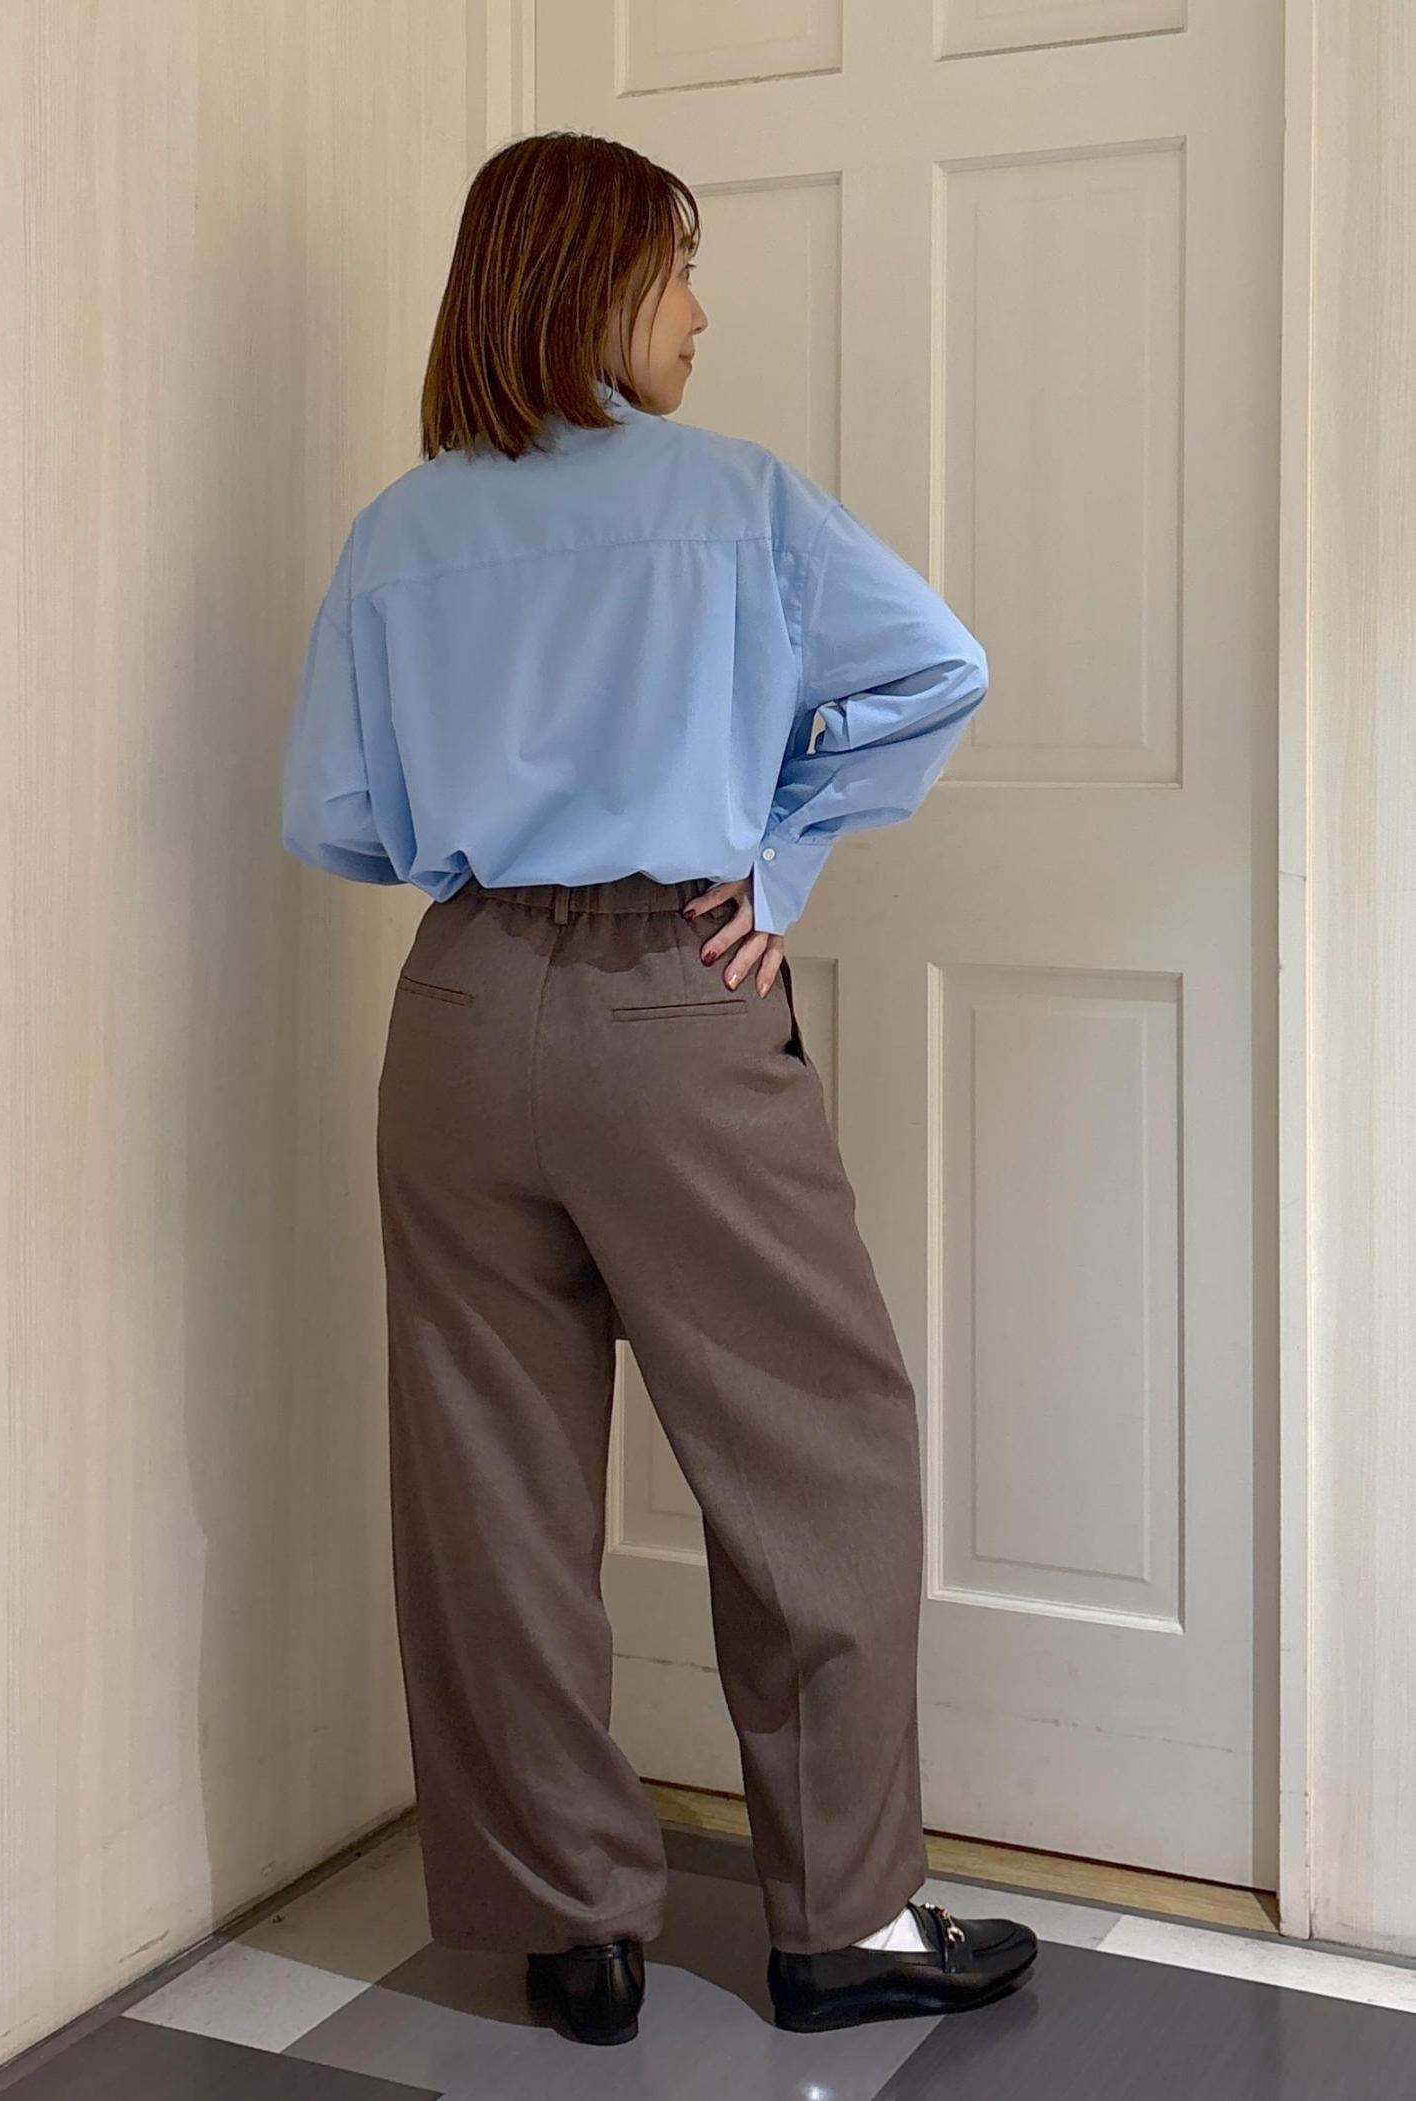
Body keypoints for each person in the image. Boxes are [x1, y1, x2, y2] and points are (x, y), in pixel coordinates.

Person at [280, 127, 1038, 2048]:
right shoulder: (734, 499)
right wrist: (773, 866)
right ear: (597, 285)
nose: (701, 310)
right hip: (671, 1001)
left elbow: (343, 817)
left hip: (460, 1014)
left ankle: (570, 1928)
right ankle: (843, 1920)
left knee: (491, 1479)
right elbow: (935, 666)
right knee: (820, 1450)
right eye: (678, 269)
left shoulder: (395, 533)